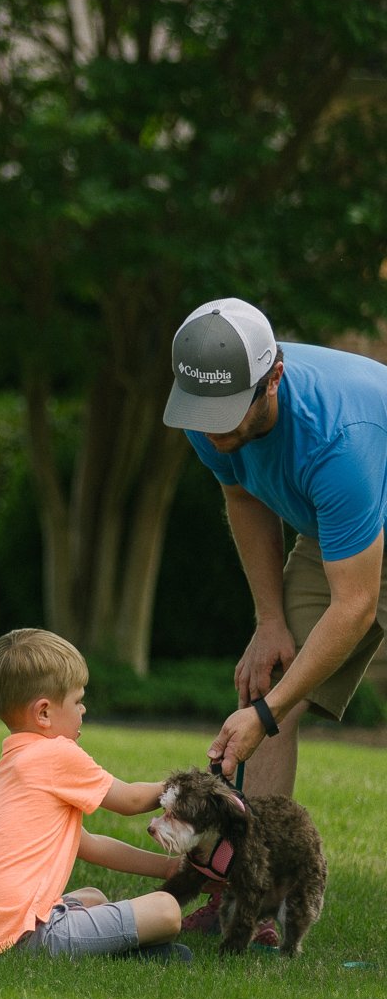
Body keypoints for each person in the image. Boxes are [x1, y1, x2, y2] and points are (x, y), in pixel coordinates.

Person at [162, 295, 387, 933]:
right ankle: (252, 899)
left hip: (364, 504)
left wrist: (263, 716)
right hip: (338, 532)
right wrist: (270, 622)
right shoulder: (211, 418)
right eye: (204, 417)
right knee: (270, 679)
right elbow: (241, 492)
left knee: (269, 705)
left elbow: (357, 603)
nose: (215, 432)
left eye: (230, 416)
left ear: (275, 378)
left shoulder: (338, 438)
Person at [0, 629, 186, 961]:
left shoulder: (11, 765)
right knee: (167, 910)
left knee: (93, 896)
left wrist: (168, 868)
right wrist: (189, 786)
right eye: (78, 701)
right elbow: (132, 801)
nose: (83, 710)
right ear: (44, 713)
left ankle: (115, 949)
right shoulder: (55, 754)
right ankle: (118, 951)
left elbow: (88, 844)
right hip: (29, 936)